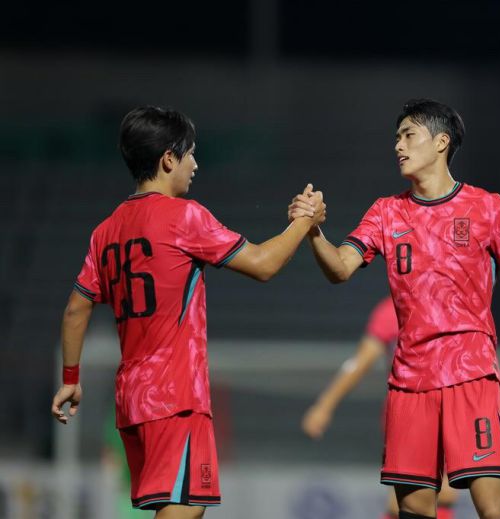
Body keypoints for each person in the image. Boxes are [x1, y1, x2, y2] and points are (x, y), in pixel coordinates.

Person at [290, 99, 500, 519]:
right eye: (396, 137)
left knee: (493, 509)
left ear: (441, 142)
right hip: (409, 386)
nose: (398, 145)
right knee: (414, 512)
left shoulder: (487, 207)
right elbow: (340, 268)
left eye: (408, 135)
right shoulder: (385, 212)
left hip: (472, 376)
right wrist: (313, 231)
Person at [50, 106, 325, 519]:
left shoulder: (105, 231)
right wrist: (303, 222)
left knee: (179, 505)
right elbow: (263, 264)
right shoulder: (184, 217)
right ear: (168, 159)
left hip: (131, 402)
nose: (195, 164)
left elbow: (76, 308)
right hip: (174, 396)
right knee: (186, 507)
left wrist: (71, 379)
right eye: (190, 153)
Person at [302, 296, 458, 519]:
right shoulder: (392, 310)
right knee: (417, 496)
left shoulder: (452, 301)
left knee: (431, 494)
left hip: (448, 409)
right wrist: (324, 405)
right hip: (408, 412)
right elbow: (361, 361)